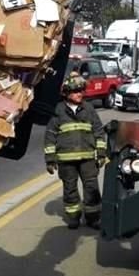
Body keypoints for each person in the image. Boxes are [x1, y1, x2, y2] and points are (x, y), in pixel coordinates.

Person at [44, 73, 106, 229]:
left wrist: (101, 153)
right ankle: (74, 217)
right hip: (66, 160)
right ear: (66, 93)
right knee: (70, 189)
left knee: (92, 188)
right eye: (76, 91)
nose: (80, 94)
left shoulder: (89, 109)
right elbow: (50, 136)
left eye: (81, 91)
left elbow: (99, 131)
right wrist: (50, 160)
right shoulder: (58, 110)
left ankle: (93, 218)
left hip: (88, 159)